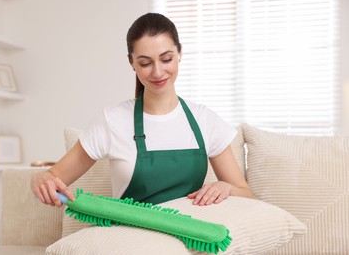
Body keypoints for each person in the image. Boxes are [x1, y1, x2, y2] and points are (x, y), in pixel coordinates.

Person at [31, 13, 254, 208]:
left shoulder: (204, 120)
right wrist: (40, 181)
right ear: (132, 63)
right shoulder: (113, 121)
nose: (158, 72)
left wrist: (227, 188)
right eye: (145, 63)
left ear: (180, 54)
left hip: (187, 239)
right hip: (131, 238)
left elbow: (247, 196)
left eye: (166, 59)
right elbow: (52, 176)